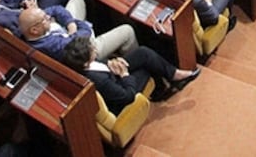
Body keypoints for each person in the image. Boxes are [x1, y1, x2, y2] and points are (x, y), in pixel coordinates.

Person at [63, 36, 200, 115]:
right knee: (146, 69)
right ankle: (165, 85)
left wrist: (111, 62)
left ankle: (173, 75)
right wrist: (125, 75)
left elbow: (99, 63)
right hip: (121, 92)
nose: (94, 49)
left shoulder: (83, 62)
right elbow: (126, 96)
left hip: (114, 75)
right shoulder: (99, 80)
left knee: (143, 53)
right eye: (91, 50)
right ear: (87, 60)